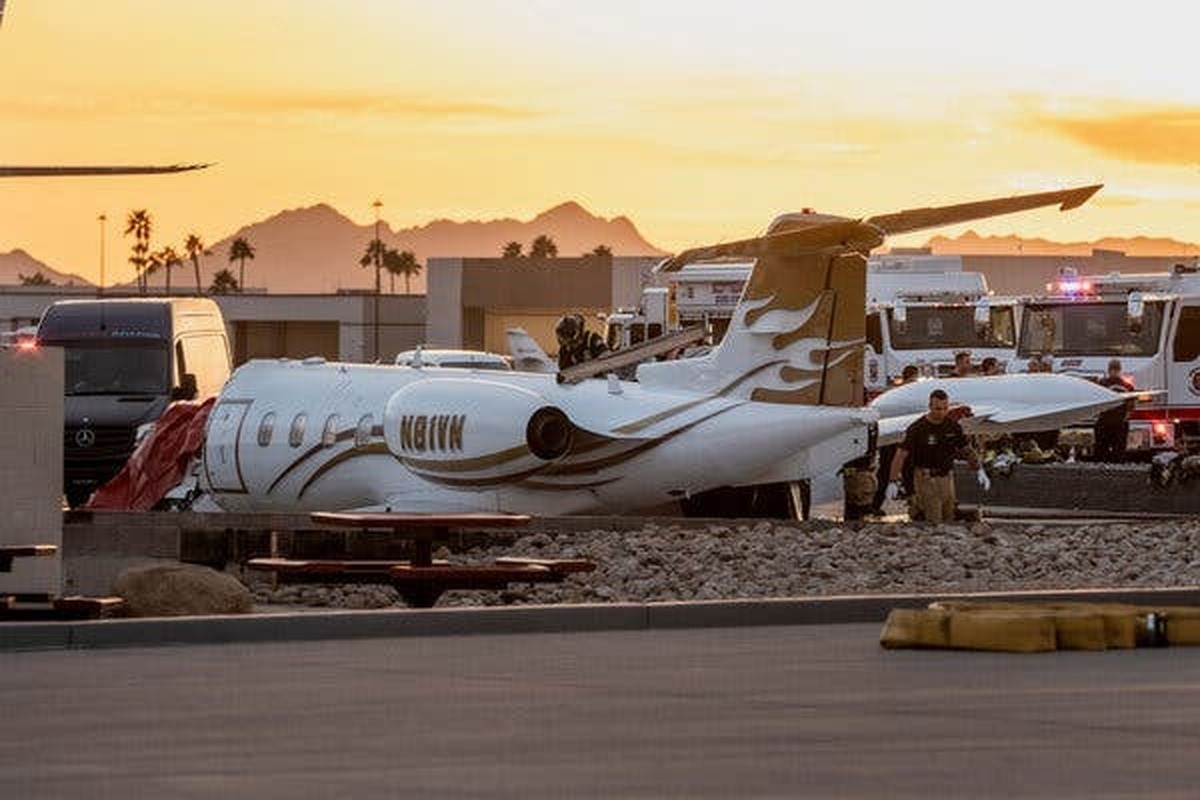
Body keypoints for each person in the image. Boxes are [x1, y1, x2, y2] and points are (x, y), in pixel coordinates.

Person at [886, 388, 989, 523]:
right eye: (937, 409)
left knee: (949, 516)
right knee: (934, 519)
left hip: (947, 477)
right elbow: (901, 455)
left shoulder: (952, 426)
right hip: (926, 478)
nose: (941, 412)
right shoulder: (918, 428)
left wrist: (979, 468)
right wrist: (893, 480)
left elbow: (966, 449)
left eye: (944, 408)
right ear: (930, 407)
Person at [1093, 358, 1134, 461]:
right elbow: (1131, 405)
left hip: (1108, 422)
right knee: (1117, 449)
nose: (1114, 371)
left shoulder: (1102, 384)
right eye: (1113, 369)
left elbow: (1130, 405)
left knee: (1103, 450)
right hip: (1113, 422)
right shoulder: (1127, 386)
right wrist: (1126, 417)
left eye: (1115, 369)